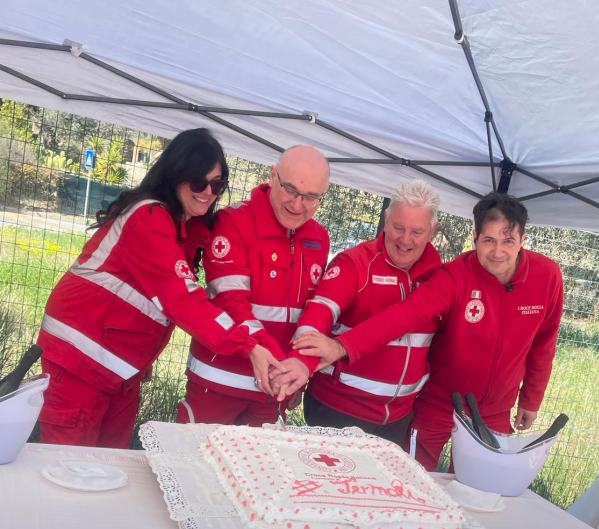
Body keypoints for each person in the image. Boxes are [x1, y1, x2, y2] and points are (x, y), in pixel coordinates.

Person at [37, 128, 281, 448]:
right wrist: (249, 346)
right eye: (198, 182)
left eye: (217, 184)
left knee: (110, 464)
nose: (208, 192)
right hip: (80, 364)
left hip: (117, 371)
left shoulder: (182, 227)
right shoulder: (148, 217)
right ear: (176, 176)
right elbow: (183, 300)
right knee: (68, 465)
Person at [286, 192, 564, 470]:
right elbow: (404, 316)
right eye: (489, 240)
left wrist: (531, 399)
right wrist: (341, 347)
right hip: (439, 403)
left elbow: (544, 342)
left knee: (481, 487)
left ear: (523, 240)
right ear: (475, 237)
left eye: (508, 241)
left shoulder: (547, 276)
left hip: (494, 410)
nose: (498, 252)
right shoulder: (454, 276)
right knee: (414, 478)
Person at [272, 180, 442, 445]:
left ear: (433, 231)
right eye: (398, 227)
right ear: (386, 222)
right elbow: (318, 314)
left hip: (398, 419)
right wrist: (300, 363)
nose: (405, 239)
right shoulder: (356, 263)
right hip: (340, 411)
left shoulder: (438, 277)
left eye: (416, 231)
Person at [176, 144, 330, 426]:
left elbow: (312, 316)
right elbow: (230, 302)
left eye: (310, 197)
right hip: (220, 382)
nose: (297, 204)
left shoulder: (319, 238)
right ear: (273, 176)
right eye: (290, 190)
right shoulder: (234, 221)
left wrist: (296, 371)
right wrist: (282, 365)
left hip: (273, 391)